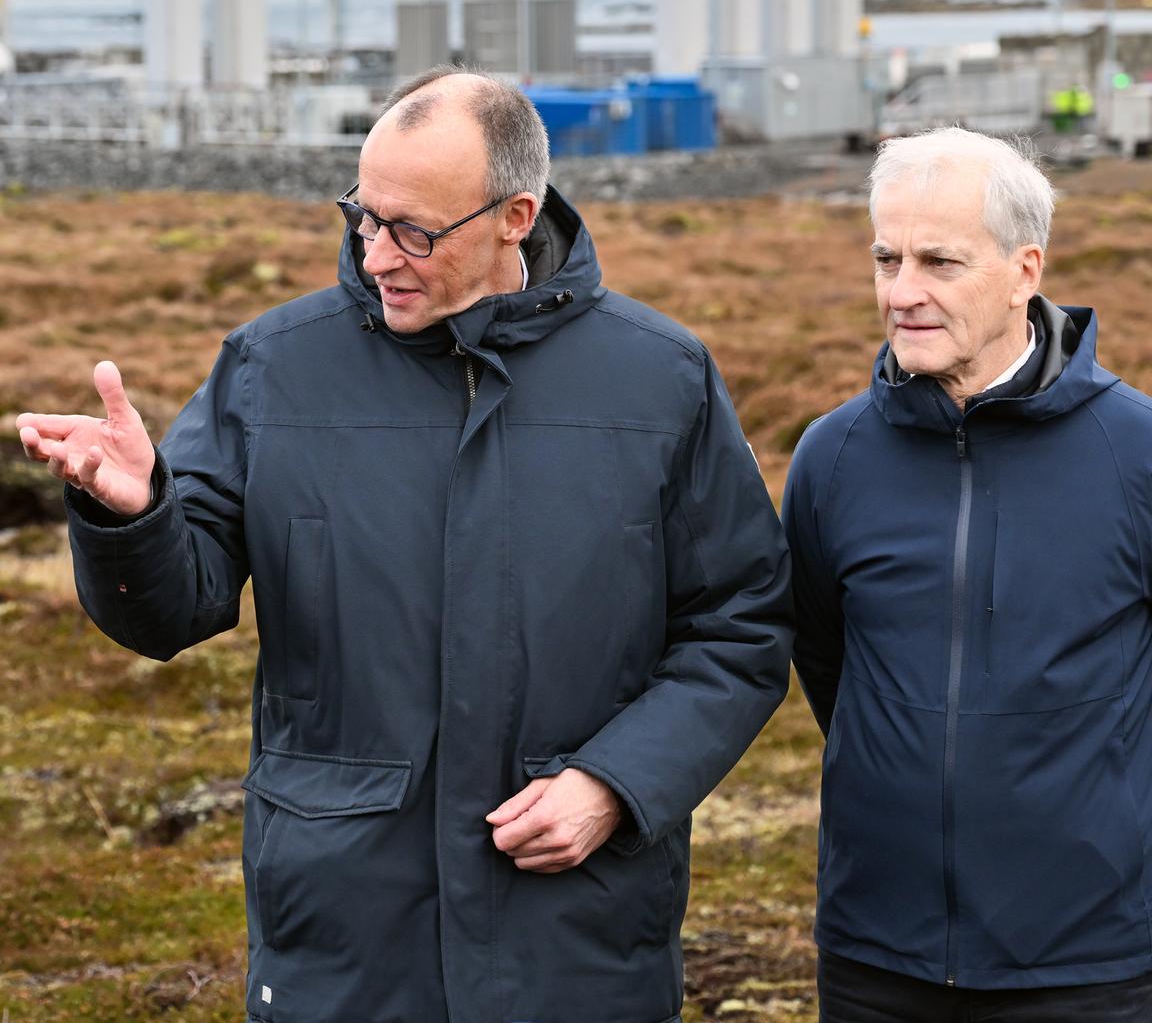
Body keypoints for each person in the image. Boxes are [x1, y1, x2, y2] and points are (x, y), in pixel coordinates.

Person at [17, 67, 792, 1023]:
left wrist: (618, 783)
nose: (377, 255)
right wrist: (135, 515)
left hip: (577, 938)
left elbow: (741, 626)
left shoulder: (661, 379)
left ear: (516, 214)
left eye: (414, 231)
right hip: (343, 939)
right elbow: (171, 612)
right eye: (363, 217)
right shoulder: (271, 369)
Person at [784, 126, 1152, 1022]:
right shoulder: (831, 459)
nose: (901, 293)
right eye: (886, 258)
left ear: (1026, 270)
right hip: (878, 953)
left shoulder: (1135, 453)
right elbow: (827, 662)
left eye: (939, 262)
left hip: (1088, 960)